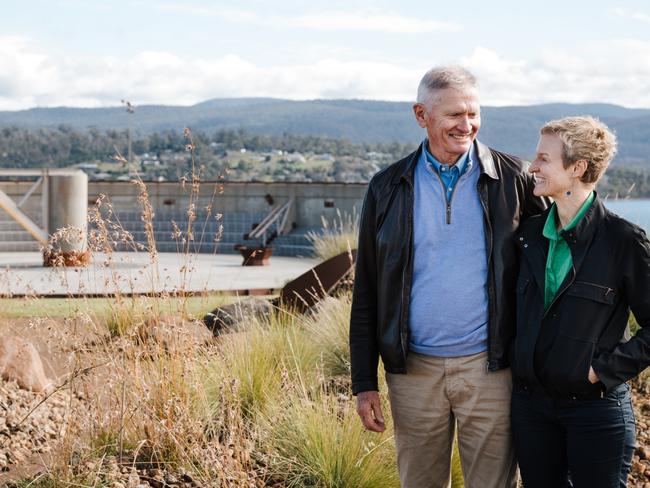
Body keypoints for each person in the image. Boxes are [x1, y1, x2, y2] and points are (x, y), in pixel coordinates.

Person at [349, 65, 547, 488]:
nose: (467, 125)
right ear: (421, 115)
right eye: (454, 115)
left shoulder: (515, 179)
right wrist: (364, 383)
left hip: (491, 369)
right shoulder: (386, 187)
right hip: (412, 373)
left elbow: (552, 267)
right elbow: (366, 288)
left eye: (474, 113)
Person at [511, 116, 649, 488]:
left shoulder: (623, 240)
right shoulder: (528, 236)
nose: (532, 166)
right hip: (531, 410)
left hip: (595, 412)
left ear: (577, 167)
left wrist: (602, 372)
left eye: (543, 158)